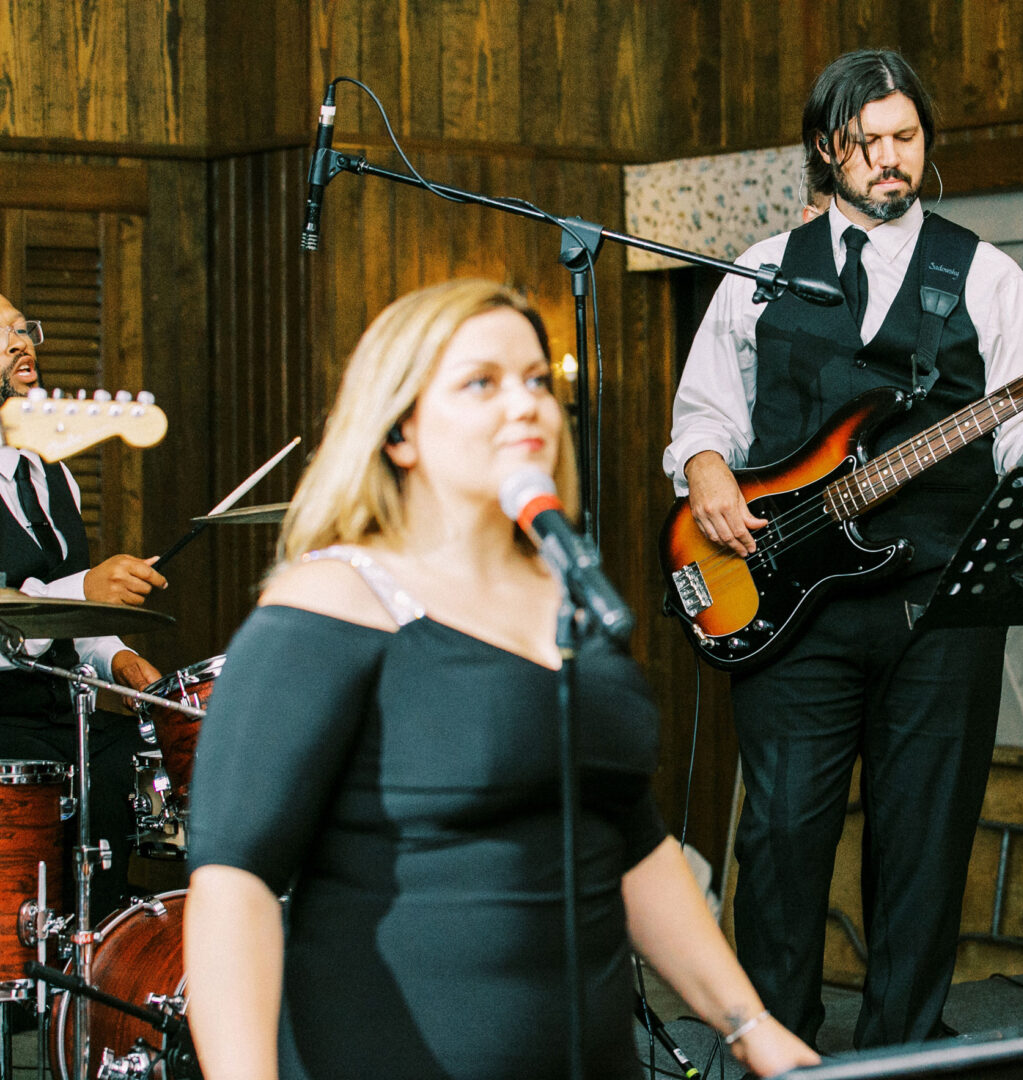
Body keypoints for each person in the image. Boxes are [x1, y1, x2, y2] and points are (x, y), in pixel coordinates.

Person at [183, 280, 817, 1080]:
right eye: (481, 382)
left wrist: (750, 1027)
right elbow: (234, 881)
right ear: (400, 432)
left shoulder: (575, 598)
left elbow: (633, 843)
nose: (525, 405)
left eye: (536, 381)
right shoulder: (332, 602)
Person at [665, 49, 1023, 1048]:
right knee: (780, 845)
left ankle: (902, 1056)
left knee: (923, 850)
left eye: (905, 137)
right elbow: (706, 412)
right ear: (829, 149)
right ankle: (776, 1050)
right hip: (783, 605)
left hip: (936, 606)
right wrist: (704, 470)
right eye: (868, 141)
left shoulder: (986, 274)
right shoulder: (761, 271)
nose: (890, 157)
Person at [0, 290, 166, 919]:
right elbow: (21, 613)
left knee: (132, 758)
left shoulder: (53, 473)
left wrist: (121, 661)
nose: (22, 343)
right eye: (2, 335)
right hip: (4, 713)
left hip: (59, 708)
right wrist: (85, 588)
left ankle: (101, 955)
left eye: (23, 329)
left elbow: (77, 614)